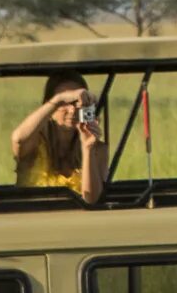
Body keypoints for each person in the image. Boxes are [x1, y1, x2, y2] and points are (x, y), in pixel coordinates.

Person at [8, 73, 111, 206]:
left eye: (77, 103)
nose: (72, 109)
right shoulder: (35, 142)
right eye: (64, 103)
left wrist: (87, 148)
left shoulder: (98, 150)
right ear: (48, 108)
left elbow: (92, 199)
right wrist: (57, 99)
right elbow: (18, 138)